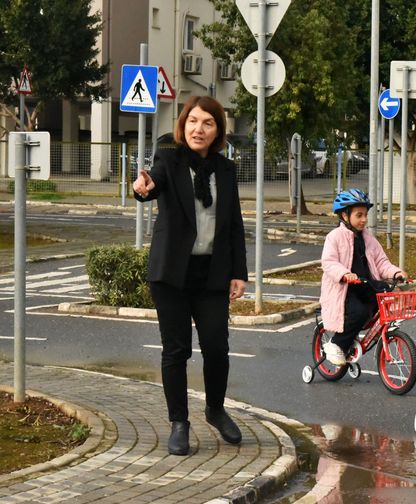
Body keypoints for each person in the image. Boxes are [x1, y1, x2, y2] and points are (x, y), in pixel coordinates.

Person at [132, 95, 248, 456]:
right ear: (183, 125)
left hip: (212, 273)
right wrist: (143, 188)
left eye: (208, 123)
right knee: (176, 350)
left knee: (217, 347)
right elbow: (154, 183)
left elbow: (234, 225)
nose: (199, 129)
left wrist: (239, 273)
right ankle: (179, 423)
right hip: (172, 274)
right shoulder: (169, 159)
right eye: (193, 121)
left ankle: (215, 409)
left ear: (217, 131)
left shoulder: (226, 170)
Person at [320, 189, 407, 366]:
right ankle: (336, 343)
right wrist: (344, 274)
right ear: (345, 215)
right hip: (345, 289)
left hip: (365, 283)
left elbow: (382, 262)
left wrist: (395, 273)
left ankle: (361, 336)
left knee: (385, 296)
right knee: (358, 312)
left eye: (366, 215)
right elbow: (328, 262)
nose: (364, 220)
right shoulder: (334, 237)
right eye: (359, 215)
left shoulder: (368, 238)